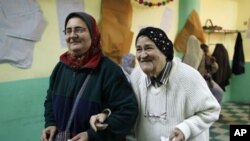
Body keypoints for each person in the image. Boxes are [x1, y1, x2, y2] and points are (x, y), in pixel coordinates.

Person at [90, 27, 221, 141]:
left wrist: (185, 129)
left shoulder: (187, 77)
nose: (142, 55)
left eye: (148, 48)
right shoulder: (137, 75)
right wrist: (106, 114)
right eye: (139, 49)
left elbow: (212, 110)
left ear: (164, 51)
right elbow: (126, 105)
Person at [41, 11, 138, 141]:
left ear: (93, 34)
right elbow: (50, 100)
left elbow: (127, 112)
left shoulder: (109, 71)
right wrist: (51, 123)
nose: (73, 35)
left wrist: (91, 136)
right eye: (68, 31)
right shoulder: (61, 68)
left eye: (79, 30)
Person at [183, 35, 224, 105]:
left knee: (219, 92)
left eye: (207, 51)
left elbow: (215, 69)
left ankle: (214, 111)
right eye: (204, 51)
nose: (206, 53)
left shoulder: (208, 59)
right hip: (199, 82)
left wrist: (212, 63)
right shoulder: (189, 57)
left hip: (209, 81)